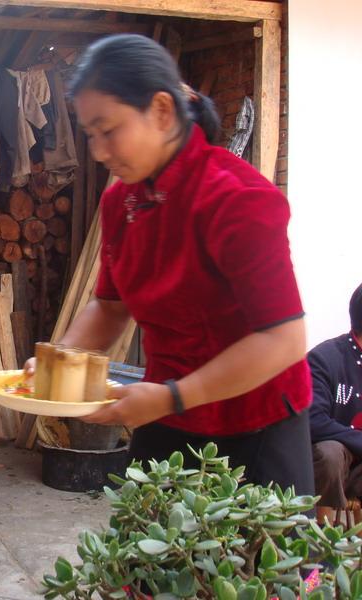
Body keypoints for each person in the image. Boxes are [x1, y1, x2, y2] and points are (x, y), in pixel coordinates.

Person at [26, 34, 314, 494]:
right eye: (91, 134)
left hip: (255, 422)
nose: (99, 152)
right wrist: (58, 365)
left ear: (161, 111)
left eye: (109, 129)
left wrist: (174, 396)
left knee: (254, 566)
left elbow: (284, 339)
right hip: (164, 414)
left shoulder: (238, 199)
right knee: (149, 560)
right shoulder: (122, 200)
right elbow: (110, 307)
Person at [308, 283, 362, 516]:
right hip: (334, 468)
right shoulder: (324, 358)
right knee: (329, 452)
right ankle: (323, 540)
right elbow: (313, 421)